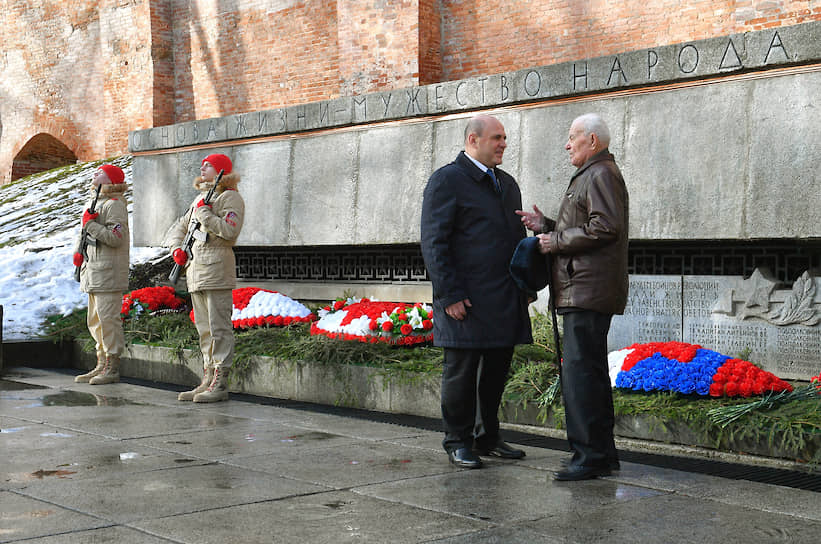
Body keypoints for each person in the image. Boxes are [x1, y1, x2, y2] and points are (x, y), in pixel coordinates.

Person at [517, 113, 629, 481]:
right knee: (588, 373)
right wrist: (547, 226)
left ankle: (589, 456)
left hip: (587, 291)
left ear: (592, 141)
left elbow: (605, 227)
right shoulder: (595, 173)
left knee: (582, 376)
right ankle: (600, 453)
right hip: (584, 288)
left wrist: (554, 241)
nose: (567, 145)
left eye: (572, 137)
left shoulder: (600, 173)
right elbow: (590, 225)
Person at [421, 114, 533, 469]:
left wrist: (525, 284)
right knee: (462, 371)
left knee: (497, 371)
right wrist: (449, 294)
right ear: (473, 140)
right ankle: (458, 440)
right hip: (464, 300)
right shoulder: (447, 180)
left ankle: (488, 437)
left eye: (505, 138)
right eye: (497, 137)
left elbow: (516, 240)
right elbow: (434, 242)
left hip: (503, 297)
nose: (503, 144)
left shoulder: (508, 183)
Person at [164, 153, 244, 403]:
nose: (202, 167)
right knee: (204, 329)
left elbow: (230, 231)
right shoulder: (201, 198)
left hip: (217, 269)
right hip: (196, 270)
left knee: (219, 327)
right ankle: (207, 377)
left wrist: (206, 216)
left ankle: (220, 382)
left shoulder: (229, 197)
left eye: (208, 165)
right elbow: (179, 227)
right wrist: (176, 248)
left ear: (220, 170)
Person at [73, 164, 129, 385]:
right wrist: (79, 254)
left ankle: (112, 367)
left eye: (100, 172)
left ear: (111, 180)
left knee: (108, 321)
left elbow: (116, 237)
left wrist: (91, 226)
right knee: (95, 321)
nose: (95, 173)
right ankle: (101, 362)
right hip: (93, 270)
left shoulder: (114, 205)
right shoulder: (94, 202)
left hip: (108, 272)